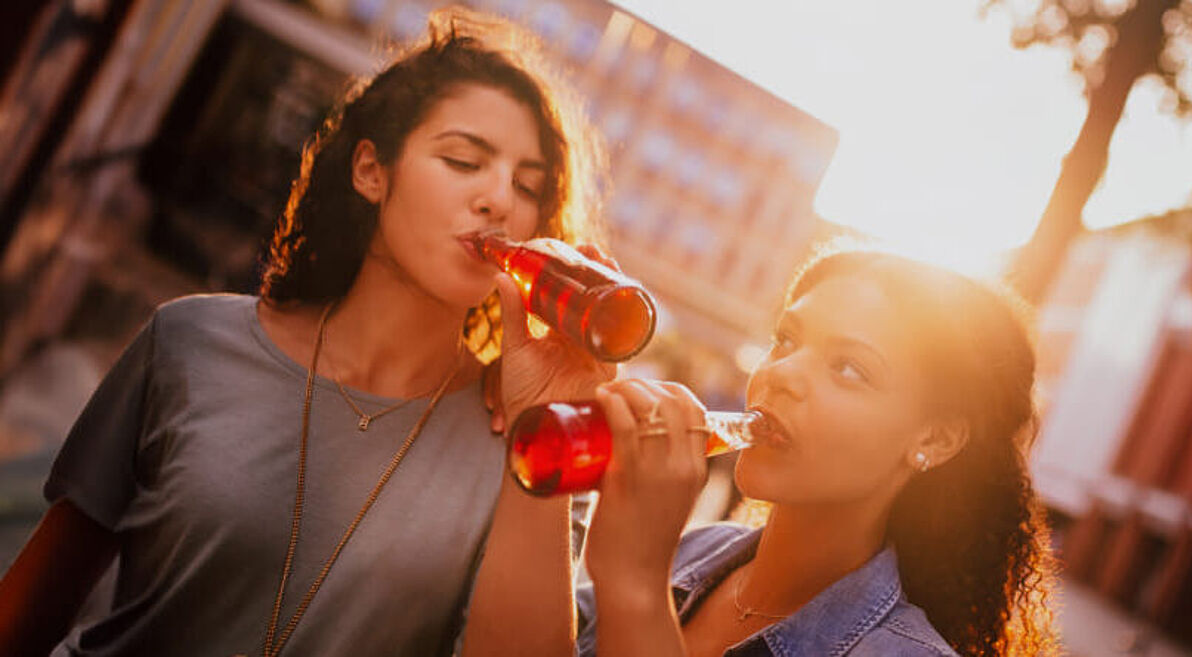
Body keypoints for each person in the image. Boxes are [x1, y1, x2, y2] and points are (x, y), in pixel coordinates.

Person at [0, 8, 610, 656]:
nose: (498, 200)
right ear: (372, 171)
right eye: (463, 159)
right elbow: (28, 613)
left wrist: (545, 422)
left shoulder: (532, 450)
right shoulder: (187, 343)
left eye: (528, 185)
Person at [572, 249, 1060, 656]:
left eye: (849, 368)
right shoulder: (696, 552)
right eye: (785, 340)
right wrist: (539, 407)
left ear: (935, 439)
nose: (781, 374)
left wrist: (637, 590)